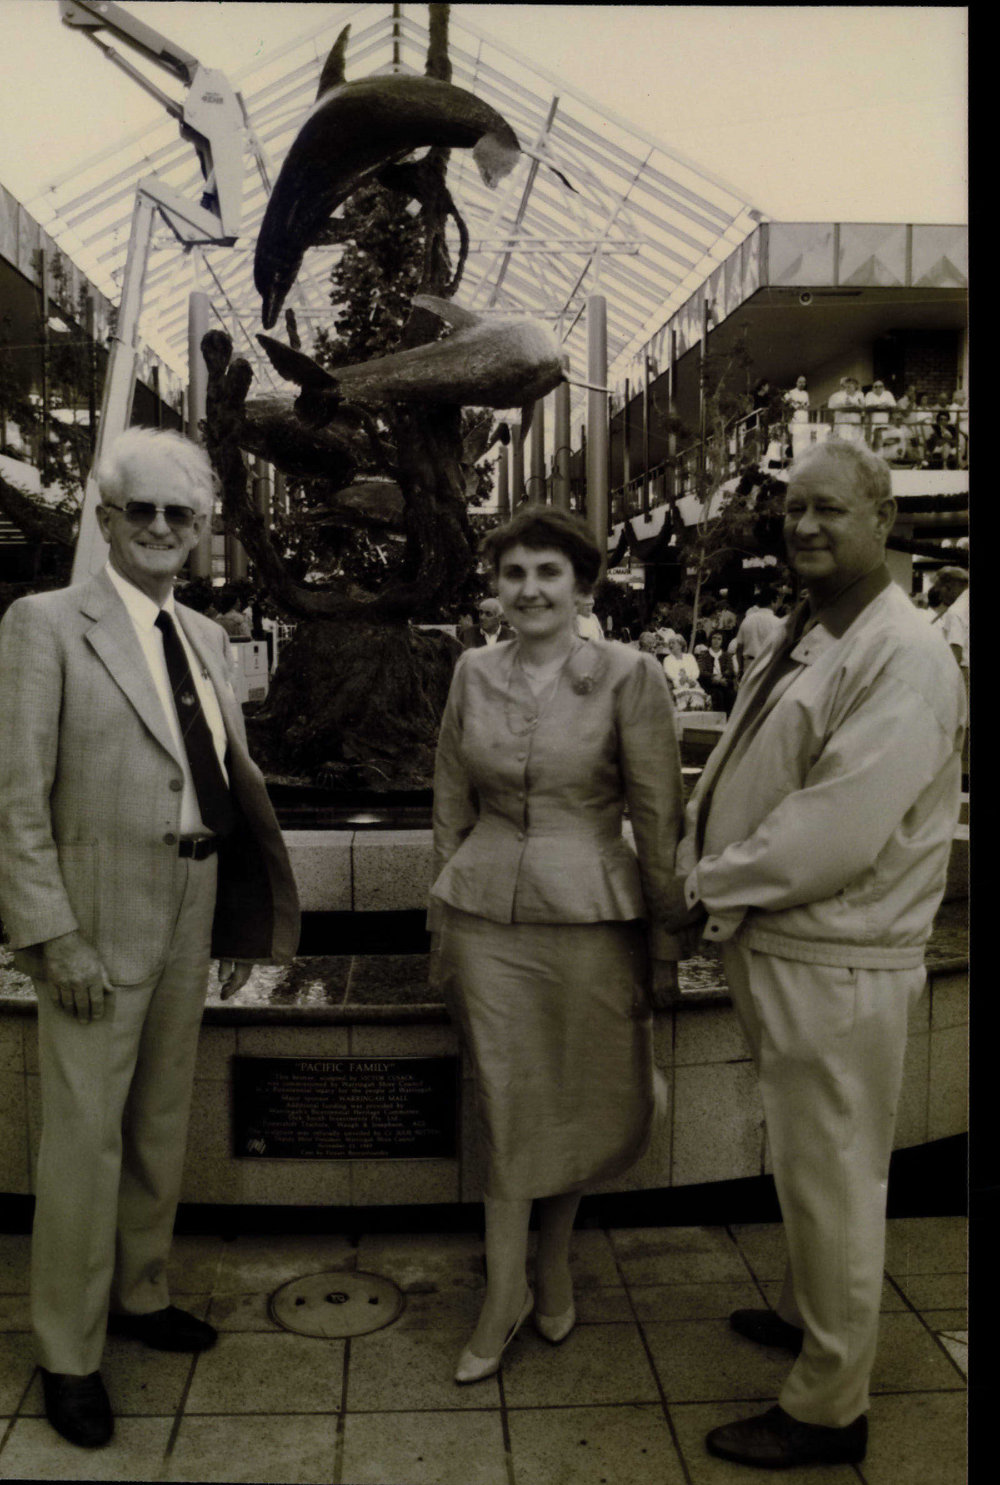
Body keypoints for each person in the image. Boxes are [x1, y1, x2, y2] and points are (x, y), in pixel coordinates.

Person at [0, 427, 300, 1450]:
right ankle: (69, 1352)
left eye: (182, 514)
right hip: (94, 916)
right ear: (106, 516)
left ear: (203, 527)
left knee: (159, 1116)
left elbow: (217, 772)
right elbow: (15, 803)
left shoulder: (209, 638)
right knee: (83, 1139)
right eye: (144, 511)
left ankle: (139, 1292)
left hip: (188, 903)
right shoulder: (43, 626)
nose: (163, 529)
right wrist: (51, 934)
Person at [672, 439, 965, 1470]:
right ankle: (808, 1312)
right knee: (813, 1165)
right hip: (792, 947)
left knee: (836, 1177)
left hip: (835, 957)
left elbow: (833, 830)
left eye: (829, 510)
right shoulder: (807, 630)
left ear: (882, 521)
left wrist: (701, 885)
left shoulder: (905, 656)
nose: (803, 526)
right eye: (793, 508)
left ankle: (827, 1408)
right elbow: (754, 772)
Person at [429, 506, 688, 1387]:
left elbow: (658, 817)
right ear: (494, 587)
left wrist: (664, 940)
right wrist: (438, 917)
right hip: (485, 920)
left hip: (592, 919)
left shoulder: (630, 673)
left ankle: (555, 1262)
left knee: (571, 1094)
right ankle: (503, 1292)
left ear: (582, 585)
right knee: (508, 1100)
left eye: (548, 572)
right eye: (513, 573)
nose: (529, 589)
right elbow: (449, 803)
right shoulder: (471, 669)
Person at [734, 588, 783, 678]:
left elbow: (739, 648)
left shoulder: (747, 620)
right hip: (767, 667)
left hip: (748, 666)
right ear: (774, 600)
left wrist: (740, 669)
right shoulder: (778, 623)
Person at [661, 635, 709, 711]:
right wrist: (681, 679)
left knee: (696, 701)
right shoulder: (667, 659)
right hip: (677, 685)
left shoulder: (689, 657)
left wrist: (689, 679)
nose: (670, 645)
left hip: (692, 683)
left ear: (680, 645)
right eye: (669, 643)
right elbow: (668, 672)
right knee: (684, 700)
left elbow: (696, 671)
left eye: (673, 643)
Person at [698, 629, 739, 714]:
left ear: (722, 641)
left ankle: (729, 721)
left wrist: (721, 677)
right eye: (714, 638)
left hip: (724, 682)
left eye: (719, 639)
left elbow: (729, 670)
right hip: (710, 683)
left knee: (731, 694)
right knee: (718, 694)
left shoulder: (726, 655)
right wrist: (713, 677)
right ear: (710, 640)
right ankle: (719, 721)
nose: (716, 641)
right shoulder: (703, 654)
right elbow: (702, 671)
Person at [827, 376, 865, 442]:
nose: (847, 388)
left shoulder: (860, 395)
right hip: (844, 423)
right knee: (844, 441)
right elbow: (833, 409)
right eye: (845, 386)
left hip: (856, 422)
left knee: (856, 442)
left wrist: (855, 405)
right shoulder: (838, 396)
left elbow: (862, 407)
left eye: (849, 386)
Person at [863, 378, 896, 450]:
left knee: (882, 442)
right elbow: (867, 407)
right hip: (872, 423)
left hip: (885, 422)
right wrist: (878, 406)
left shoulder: (888, 394)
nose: (878, 388)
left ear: (883, 387)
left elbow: (893, 406)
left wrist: (885, 407)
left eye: (880, 386)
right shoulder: (869, 394)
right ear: (873, 388)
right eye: (876, 386)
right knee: (870, 442)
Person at [783, 375, 811, 458]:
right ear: (796, 382)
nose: (802, 384)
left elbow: (807, 405)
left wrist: (803, 406)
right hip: (795, 419)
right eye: (800, 382)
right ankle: (796, 457)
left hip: (804, 418)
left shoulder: (806, 393)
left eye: (804, 382)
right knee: (796, 440)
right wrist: (795, 405)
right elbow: (787, 401)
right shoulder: (791, 393)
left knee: (804, 440)